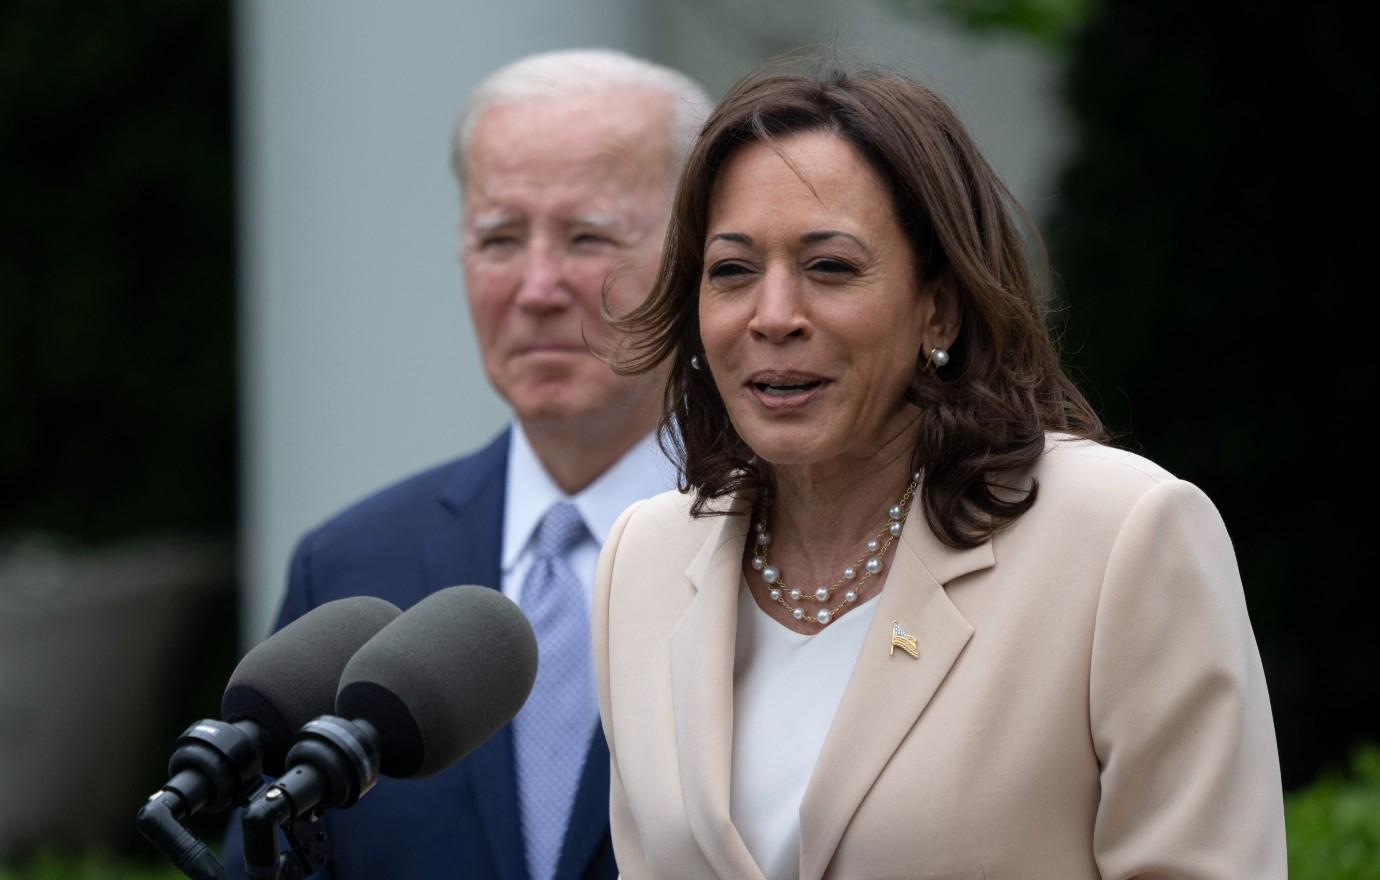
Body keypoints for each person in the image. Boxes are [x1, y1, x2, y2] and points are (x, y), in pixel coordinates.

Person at [593, 68, 1286, 879]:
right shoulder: (640, 561)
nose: (773, 315)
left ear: (940, 308)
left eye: (831, 267)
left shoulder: (1121, 534)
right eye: (733, 271)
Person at [221, 50, 710, 880]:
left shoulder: (795, 549)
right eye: (499, 238)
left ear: (700, 253)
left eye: (589, 235)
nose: (538, 286)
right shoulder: (349, 568)